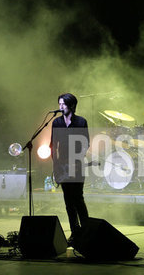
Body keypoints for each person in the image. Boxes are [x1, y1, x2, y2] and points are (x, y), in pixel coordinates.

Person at [50, 93, 90, 246]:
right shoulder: (56, 122)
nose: (60, 107)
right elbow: (52, 145)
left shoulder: (81, 122)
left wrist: (76, 160)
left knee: (78, 199)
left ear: (72, 105)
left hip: (77, 165)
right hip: (62, 166)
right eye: (59, 104)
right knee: (68, 202)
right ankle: (75, 232)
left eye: (63, 104)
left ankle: (86, 231)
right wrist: (56, 166)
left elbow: (86, 143)